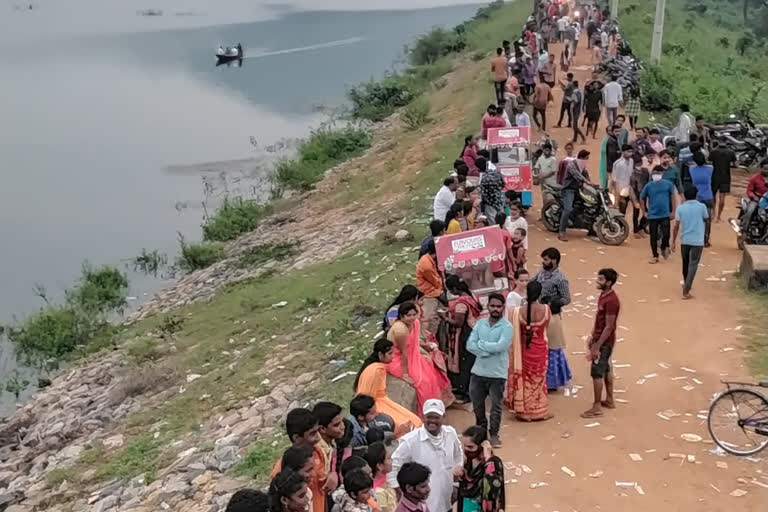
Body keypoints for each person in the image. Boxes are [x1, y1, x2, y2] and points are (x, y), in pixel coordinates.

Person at [388, 401, 462, 512]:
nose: (432, 421)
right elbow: (392, 468)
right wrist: (401, 493)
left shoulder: (450, 433)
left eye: (436, 417)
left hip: (447, 502)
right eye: (429, 417)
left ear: (443, 417)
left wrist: (455, 484)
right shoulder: (410, 441)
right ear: (423, 417)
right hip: (423, 506)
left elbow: (458, 456)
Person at [386, 301, 454, 410]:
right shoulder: (400, 330)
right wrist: (405, 374)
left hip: (412, 354)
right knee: (423, 382)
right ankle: (427, 410)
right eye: (408, 315)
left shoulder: (415, 323)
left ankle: (439, 405)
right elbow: (403, 351)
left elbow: (414, 341)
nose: (412, 318)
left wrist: (425, 346)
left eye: (414, 314)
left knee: (431, 370)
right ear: (401, 316)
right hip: (398, 359)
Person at [466, 293, 513, 447]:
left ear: (503, 308)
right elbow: (469, 345)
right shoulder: (480, 324)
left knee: (496, 407)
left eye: (498, 306)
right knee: (478, 406)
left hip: (497, 374)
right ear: (488, 306)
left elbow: (502, 346)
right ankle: (481, 433)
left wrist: (482, 346)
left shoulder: (507, 327)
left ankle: (494, 434)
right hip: (478, 372)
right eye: (492, 306)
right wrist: (488, 350)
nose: (495, 309)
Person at [505, 280, 552, 421]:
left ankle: (525, 412)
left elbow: (514, 332)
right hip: (540, 349)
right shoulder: (546, 309)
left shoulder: (518, 312)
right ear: (540, 293)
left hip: (525, 351)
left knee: (526, 380)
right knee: (539, 380)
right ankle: (539, 411)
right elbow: (546, 327)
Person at [355, 339, 422, 431]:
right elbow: (368, 396)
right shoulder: (376, 370)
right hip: (375, 405)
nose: (393, 356)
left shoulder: (375, 367)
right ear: (380, 355)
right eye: (390, 354)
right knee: (408, 423)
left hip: (380, 401)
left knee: (415, 420)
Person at [581, 268, 621, 419]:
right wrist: (592, 334)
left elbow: (609, 326)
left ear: (609, 283)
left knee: (597, 372)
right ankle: (609, 399)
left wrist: (597, 345)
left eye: (601, 280)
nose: (598, 282)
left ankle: (597, 406)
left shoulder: (611, 301)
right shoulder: (604, 296)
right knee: (607, 368)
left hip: (603, 342)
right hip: (602, 340)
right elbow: (600, 319)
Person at [270, 409, 327, 512]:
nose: (318, 438)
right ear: (296, 437)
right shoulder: (280, 474)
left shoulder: (318, 453)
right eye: (312, 433)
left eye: (318, 431)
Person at [532, 248, 572, 392]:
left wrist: (552, 302)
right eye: (543, 259)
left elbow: (567, 299)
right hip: (538, 314)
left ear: (554, 261)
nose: (544, 262)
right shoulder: (540, 273)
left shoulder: (561, 279)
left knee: (552, 348)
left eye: (547, 259)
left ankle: (552, 382)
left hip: (552, 317)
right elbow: (532, 284)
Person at [439, 275, 481, 403]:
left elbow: (458, 322)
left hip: (464, 335)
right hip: (473, 332)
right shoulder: (471, 296)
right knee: (471, 362)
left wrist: (444, 317)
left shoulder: (461, 304)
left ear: (454, 289)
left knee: (464, 363)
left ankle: (466, 393)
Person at [672, 186, 709, 299]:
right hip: (697, 241)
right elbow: (706, 219)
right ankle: (686, 289)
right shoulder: (702, 206)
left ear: (685, 197)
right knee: (693, 264)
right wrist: (706, 235)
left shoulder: (681, 208)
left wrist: (673, 241)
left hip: (685, 240)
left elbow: (676, 226)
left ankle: (686, 282)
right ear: (696, 195)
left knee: (685, 263)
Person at [456, 426, 505, 512]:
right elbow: (465, 487)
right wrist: (462, 475)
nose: (465, 450)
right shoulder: (468, 461)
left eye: (470, 447)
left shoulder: (494, 462)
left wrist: (488, 460)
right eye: (464, 446)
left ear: (482, 446)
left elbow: (494, 488)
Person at [640, 166, 677, 263]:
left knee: (666, 234)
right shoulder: (648, 186)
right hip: (653, 215)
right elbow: (642, 198)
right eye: (655, 173)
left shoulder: (668, 184)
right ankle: (654, 255)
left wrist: (673, 211)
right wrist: (644, 212)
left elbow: (673, 198)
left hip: (665, 214)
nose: (656, 175)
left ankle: (664, 246)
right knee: (653, 236)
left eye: (659, 173)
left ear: (662, 174)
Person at [558, 150, 592, 242]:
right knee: (567, 209)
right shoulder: (572, 165)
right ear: (582, 158)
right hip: (568, 189)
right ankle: (562, 231)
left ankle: (591, 229)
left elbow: (585, 174)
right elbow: (577, 175)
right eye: (587, 158)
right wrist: (586, 181)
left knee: (588, 206)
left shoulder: (582, 165)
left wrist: (591, 183)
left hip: (578, 189)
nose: (587, 160)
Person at [313, 401, 345, 494]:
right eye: (336, 425)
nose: (342, 427)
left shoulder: (329, 444)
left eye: (342, 422)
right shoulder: (318, 451)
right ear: (322, 429)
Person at [415, 241, 443, 336]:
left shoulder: (427, 259)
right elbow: (435, 281)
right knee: (431, 322)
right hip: (429, 293)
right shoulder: (427, 265)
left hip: (432, 290)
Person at [688, 152, 714, 246]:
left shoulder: (691, 169)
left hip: (697, 196)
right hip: (708, 196)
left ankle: (696, 237)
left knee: (696, 219)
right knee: (707, 219)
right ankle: (706, 239)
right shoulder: (710, 169)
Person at [709, 140, 736, 222]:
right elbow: (734, 164)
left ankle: (713, 214)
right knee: (722, 197)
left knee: (713, 195)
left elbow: (709, 161)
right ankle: (719, 216)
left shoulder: (713, 151)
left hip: (714, 176)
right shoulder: (731, 152)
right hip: (725, 177)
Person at [364, 443, 396, 512]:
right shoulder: (377, 492)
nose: (392, 460)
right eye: (389, 458)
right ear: (379, 465)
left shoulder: (386, 480)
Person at [742, 160, 768, 237]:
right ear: (761, 168)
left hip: (767, 200)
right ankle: (744, 229)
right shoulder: (755, 178)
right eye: (765, 169)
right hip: (757, 199)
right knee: (750, 211)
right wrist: (754, 196)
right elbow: (749, 191)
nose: (767, 171)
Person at [629, 154, 649, 238]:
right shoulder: (633, 174)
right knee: (636, 213)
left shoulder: (646, 171)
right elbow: (632, 188)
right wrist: (634, 200)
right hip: (636, 195)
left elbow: (648, 182)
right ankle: (635, 230)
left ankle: (641, 227)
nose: (639, 166)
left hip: (644, 194)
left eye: (640, 163)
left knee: (647, 212)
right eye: (637, 164)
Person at [612, 144, 634, 213]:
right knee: (621, 210)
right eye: (628, 151)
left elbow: (631, 175)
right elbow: (614, 180)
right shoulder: (618, 164)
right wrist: (616, 195)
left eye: (631, 151)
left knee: (624, 209)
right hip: (620, 190)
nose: (630, 153)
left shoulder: (631, 161)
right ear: (623, 152)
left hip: (628, 189)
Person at [602, 125, 620, 191]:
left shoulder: (614, 139)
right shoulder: (612, 141)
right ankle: (608, 195)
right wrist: (618, 153)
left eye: (619, 131)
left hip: (611, 165)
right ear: (612, 132)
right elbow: (612, 154)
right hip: (612, 165)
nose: (618, 133)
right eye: (616, 131)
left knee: (612, 182)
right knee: (611, 182)